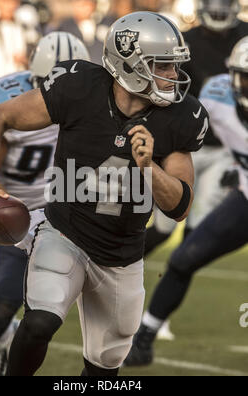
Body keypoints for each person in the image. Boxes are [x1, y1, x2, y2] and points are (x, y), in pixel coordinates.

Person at [0, 12, 208, 376]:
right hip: (65, 232)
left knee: (104, 367)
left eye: (174, 66)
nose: (173, 76)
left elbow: (180, 206)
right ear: (129, 64)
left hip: (123, 254)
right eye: (162, 66)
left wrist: (149, 167)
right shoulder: (78, 86)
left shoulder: (180, 116)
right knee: (40, 322)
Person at [0, 32, 90, 377]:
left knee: (4, 302)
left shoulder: (93, 103)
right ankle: (3, 338)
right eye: (47, 84)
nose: (55, 96)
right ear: (33, 74)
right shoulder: (4, 94)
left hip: (39, 218)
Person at [125, 0, 248, 354]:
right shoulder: (216, 98)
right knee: (178, 247)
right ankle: (144, 333)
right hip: (220, 172)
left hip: (228, 166)